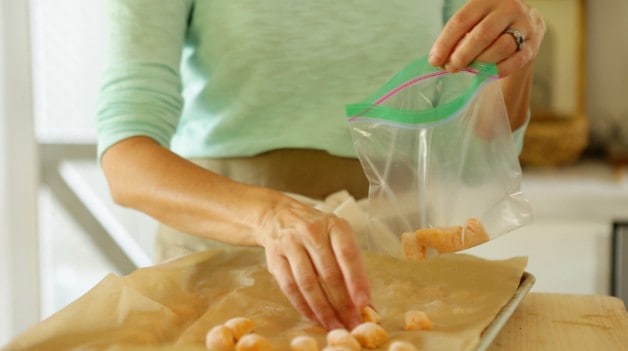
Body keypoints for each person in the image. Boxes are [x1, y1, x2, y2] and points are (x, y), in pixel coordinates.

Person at [96, 0, 545, 331]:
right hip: (219, 268)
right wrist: (270, 217)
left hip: (398, 265)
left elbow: (474, 149)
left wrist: (516, 56)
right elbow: (127, 161)